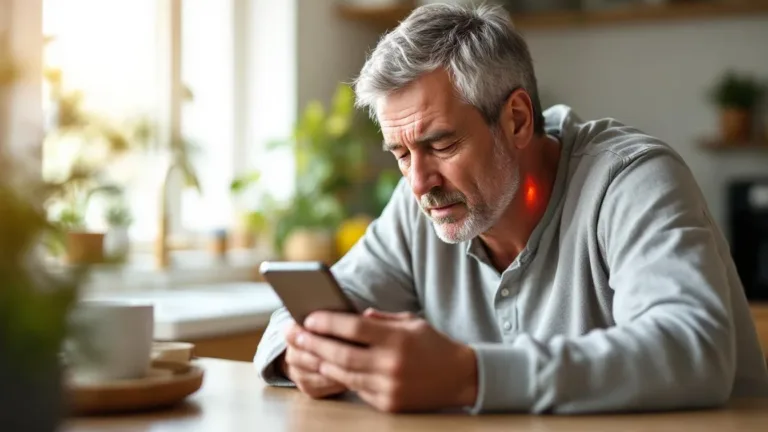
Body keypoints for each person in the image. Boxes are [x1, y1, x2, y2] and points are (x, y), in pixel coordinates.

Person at [254, 4, 768, 414]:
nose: (419, 182)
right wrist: (302, 353)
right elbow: (294, 319)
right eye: (401, 154)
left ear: (518, 120)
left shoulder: (631, 180)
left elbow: (693, 349)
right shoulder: (420, 210)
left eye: (441, 144)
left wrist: (467, 374)